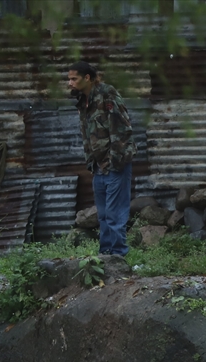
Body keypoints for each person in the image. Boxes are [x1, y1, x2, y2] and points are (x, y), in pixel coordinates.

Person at [68, 61, 135, 257]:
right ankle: (106, 255)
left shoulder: (107, 94)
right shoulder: (83, 101)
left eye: (74, 79)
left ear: (86, 78)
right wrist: (92, 162)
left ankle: (118, 255)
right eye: (69, 79)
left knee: (115, 214)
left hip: (115, 164)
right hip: (98, 166)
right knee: (104, 214)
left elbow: (121, 128)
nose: (70, 83)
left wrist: (115, 160)